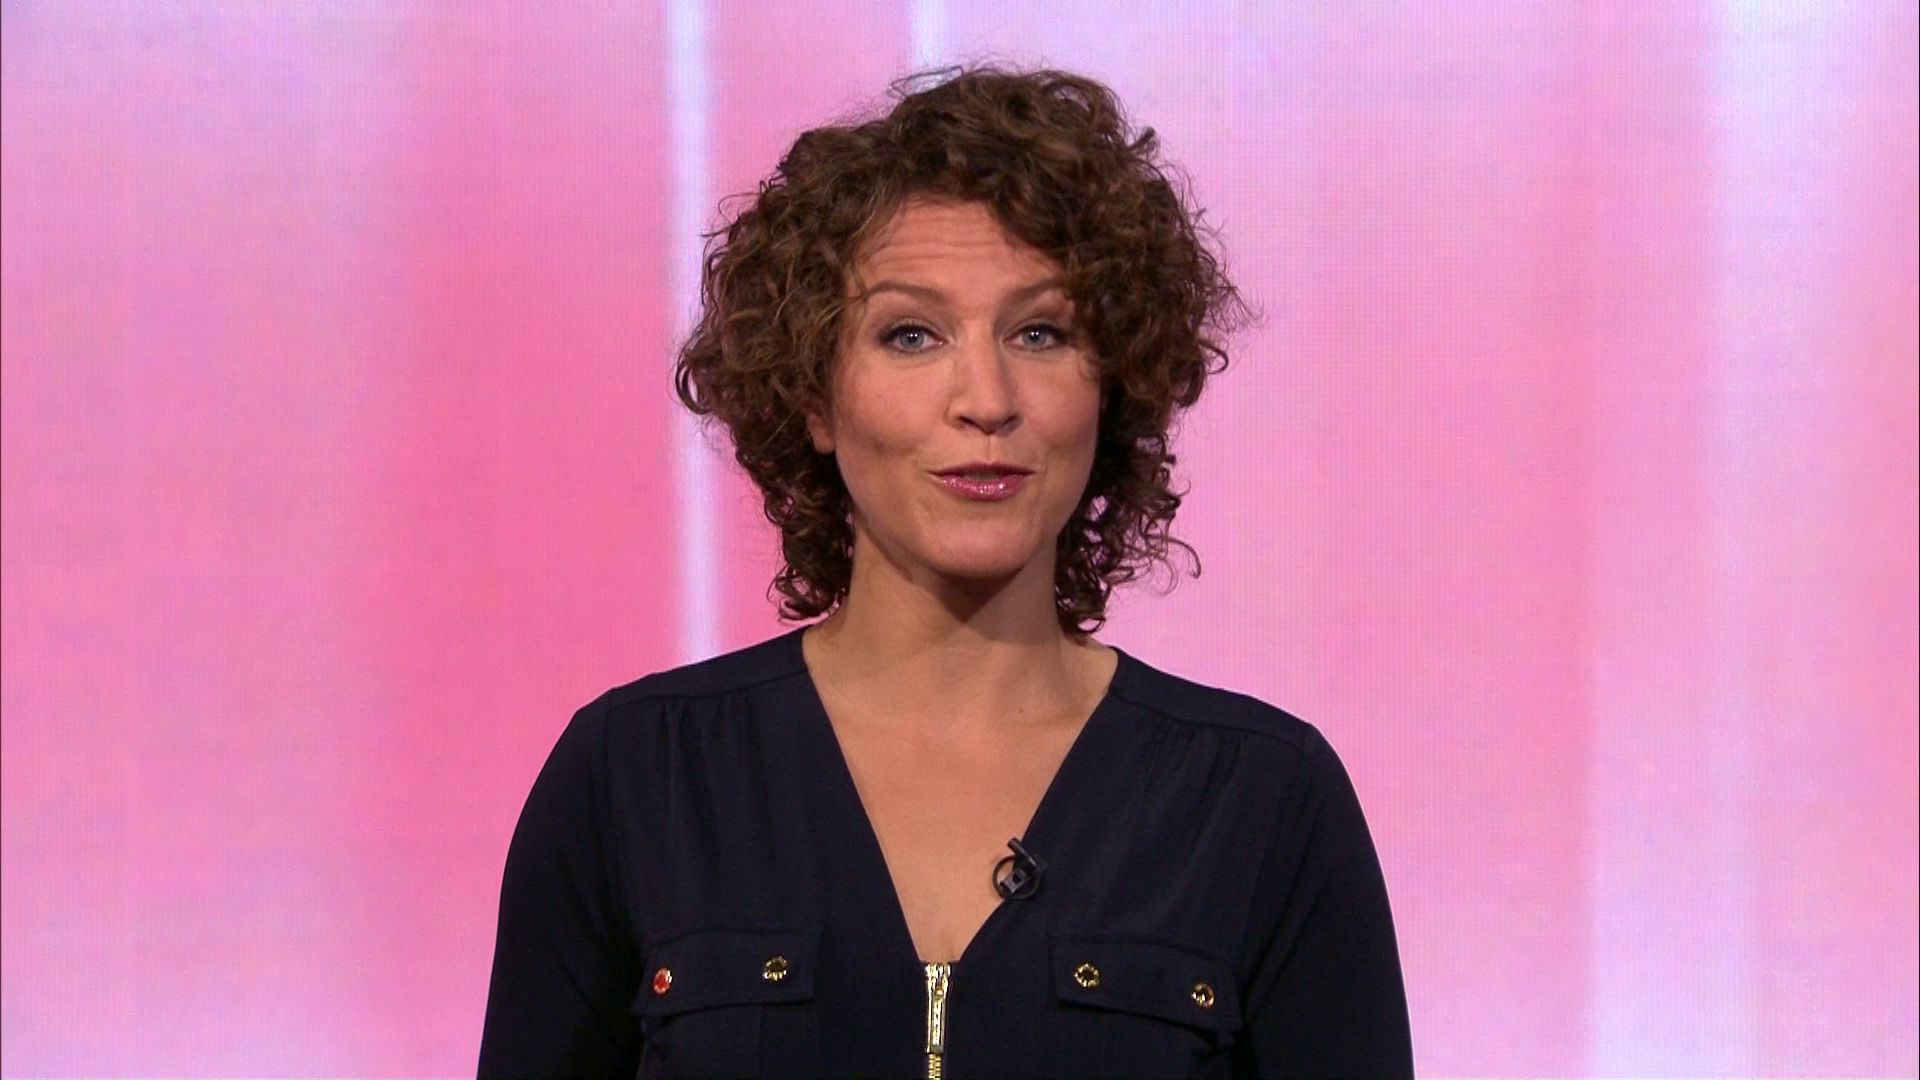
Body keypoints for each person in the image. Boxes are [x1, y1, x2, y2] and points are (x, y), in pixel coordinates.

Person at [478, 65, 1412, 1078]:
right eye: (911, 335)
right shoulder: (637, 777)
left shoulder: (1263, 797)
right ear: (814, 398)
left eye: (1040, 333)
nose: (986, 398)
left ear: (1113, 387)